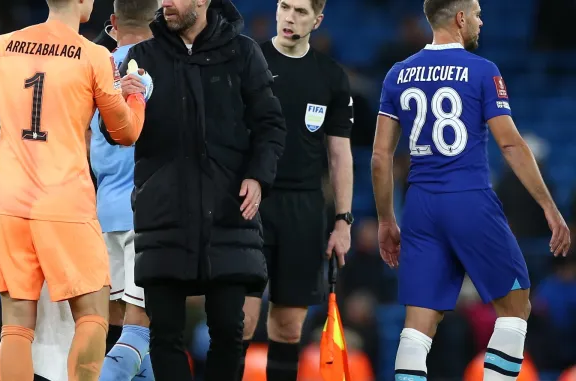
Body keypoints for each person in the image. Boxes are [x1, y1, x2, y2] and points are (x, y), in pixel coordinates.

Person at [371, 1, 571, 381]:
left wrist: (386, 219)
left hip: (420, 206)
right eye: (477, 14)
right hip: (469, 199)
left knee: (417, 325)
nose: (481, 21)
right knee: (515, 307)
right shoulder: (482, 71)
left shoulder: (397, 74)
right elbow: (510, 145)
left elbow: (381, 157)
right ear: (460, 18)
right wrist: (548, 205)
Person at [0, 0, 151, 378]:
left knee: (16, 325)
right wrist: (136, 96)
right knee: (93, 315)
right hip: (65, 202)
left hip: (6, 202)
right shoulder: (93, 55)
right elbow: (125, 132)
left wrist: (3, 158)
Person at [120, 0, 287, 379]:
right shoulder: (139, 59)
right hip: (162, 214)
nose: (164, 4)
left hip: (228, 214)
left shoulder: (242, 52)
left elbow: (271, 126)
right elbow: (116, 135)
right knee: (163, 335)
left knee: (230, 331)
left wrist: (258, 176)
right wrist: (119, 104)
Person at [29, 1, 159, 380]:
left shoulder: (87, 66)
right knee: (140, 328)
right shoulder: (166, 68)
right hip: (149, 210)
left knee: (117, 326)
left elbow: (77, 137)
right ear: (157, 21)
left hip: (100, 209)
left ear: (114, 23)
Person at [239, 0, 355, 379]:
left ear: (317, 20)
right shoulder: (245, 59)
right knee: (239, 320)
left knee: (288, 327)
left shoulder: (331, 76)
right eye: (285, 7)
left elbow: (339, 154)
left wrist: (343, 221)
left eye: (301, 11)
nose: (290, 17)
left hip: (303, 210)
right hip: (248, 204)